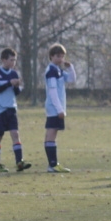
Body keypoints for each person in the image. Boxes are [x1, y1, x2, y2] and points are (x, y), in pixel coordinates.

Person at [0, 48, 30, 172]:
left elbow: (16, 92)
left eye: (15, 60)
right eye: (11, 60)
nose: (13, 63)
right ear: (3, 60)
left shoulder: (14, 74)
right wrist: (9, 83)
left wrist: (17, 86)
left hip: (11, 109)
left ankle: (19, 162)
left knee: (15, 134)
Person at [43, 43, 76, 173]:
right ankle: (52, 164)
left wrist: (71, 67)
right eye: (58, 56)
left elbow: (72, 80)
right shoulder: (51, 71)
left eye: (62, 56)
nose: (61, 59)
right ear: (51, 56)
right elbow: (52, 91)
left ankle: (53, 164)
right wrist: (59, 109)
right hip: (54, 108)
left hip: (56, 108)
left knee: (52, 134)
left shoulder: (59, 70)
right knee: (51, 134)